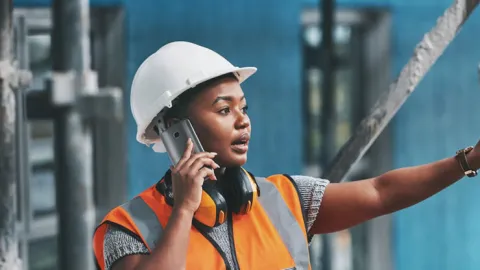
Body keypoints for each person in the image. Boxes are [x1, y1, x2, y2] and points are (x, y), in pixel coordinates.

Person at [92, 41, 480, 270]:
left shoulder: (282, 199)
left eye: (243, 108)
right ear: (175, 131)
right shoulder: (126, 229)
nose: (243, 122)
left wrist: (469, 160)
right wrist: (183, 211)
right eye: (224, 110)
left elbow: (380, 192)